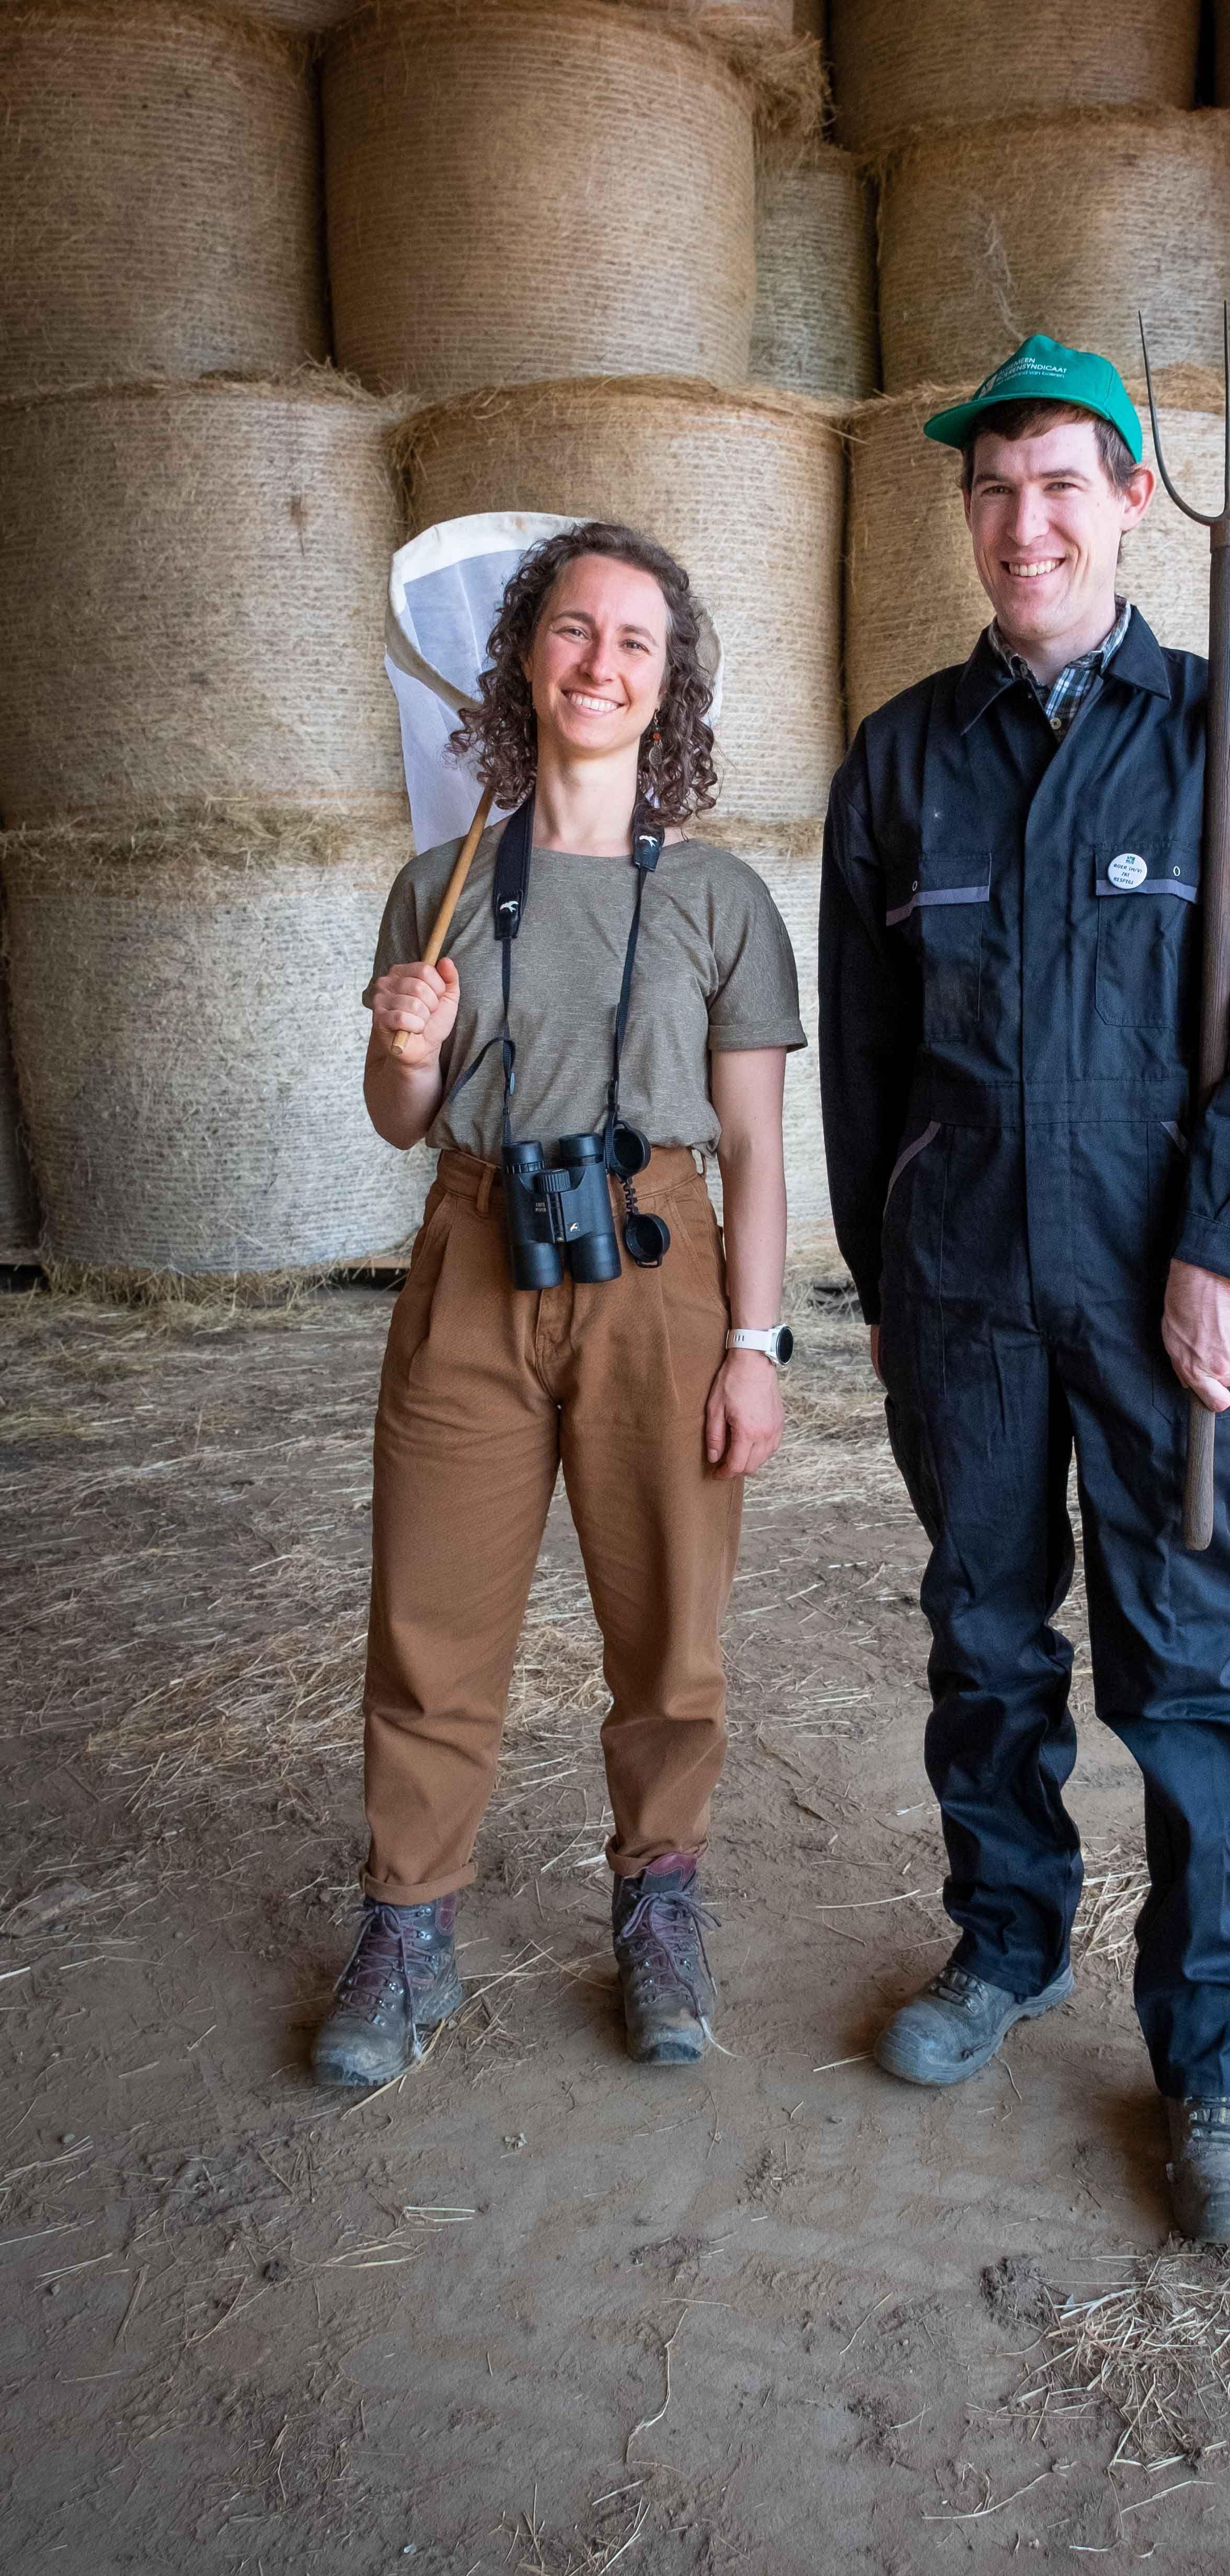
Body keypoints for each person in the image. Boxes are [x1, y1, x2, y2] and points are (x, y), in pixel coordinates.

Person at [818, 336, 1230, 2243]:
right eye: (993, 487)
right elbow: (864, 1048)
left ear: (1133, 497)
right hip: (961, 1289)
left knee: (1189, 1669)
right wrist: (883, 1275)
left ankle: (1218, 2062)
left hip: (1162, 1291)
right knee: (983, 1634)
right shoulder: (900, 760)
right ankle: (1005, 1942)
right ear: (967, 516)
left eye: (1061, 481)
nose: (1024, 518)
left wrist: (1223, 1244)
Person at [313, 522, 805, 2086]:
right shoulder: (439, 883)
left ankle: (659, 1898)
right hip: (474, 1256)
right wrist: (406, 1044)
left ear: (672, 686)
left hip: (659, 1268)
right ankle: (409, 1923)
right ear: (527, 654)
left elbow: (750, 1145)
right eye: (576, 631)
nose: (603, 662)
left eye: (637, 643)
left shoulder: (722, 898)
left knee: (671, 1623)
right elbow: (403, 1120)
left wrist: (756, 1342)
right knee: (431, 1617)